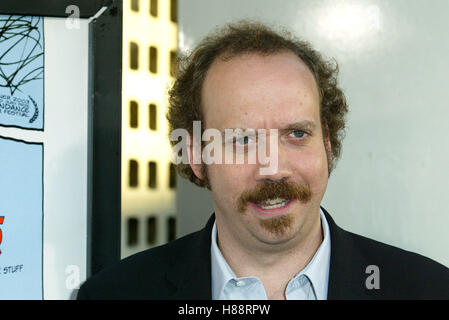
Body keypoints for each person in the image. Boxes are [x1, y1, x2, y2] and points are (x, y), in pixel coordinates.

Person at [77, 20, 449, 300]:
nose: (273, 167)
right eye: (242, 139)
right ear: (196, 156)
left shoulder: (429, 290)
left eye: (297, 134)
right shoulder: (114, 294)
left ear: (329, 145)